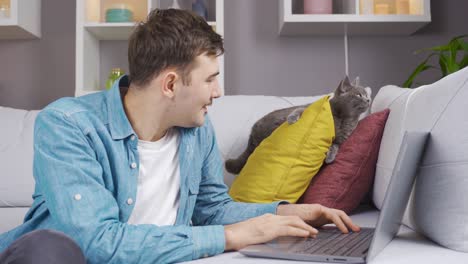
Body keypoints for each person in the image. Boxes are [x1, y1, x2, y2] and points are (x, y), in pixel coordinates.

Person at [0, 8, 360, 264]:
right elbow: (96, 243)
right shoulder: (67, 124)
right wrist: (231, 237)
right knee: (47, 250)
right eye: (210, 79)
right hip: (55, 257)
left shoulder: (196, 129)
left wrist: (286, 212)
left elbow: (211, 209)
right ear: (171, 83)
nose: (218, 92)